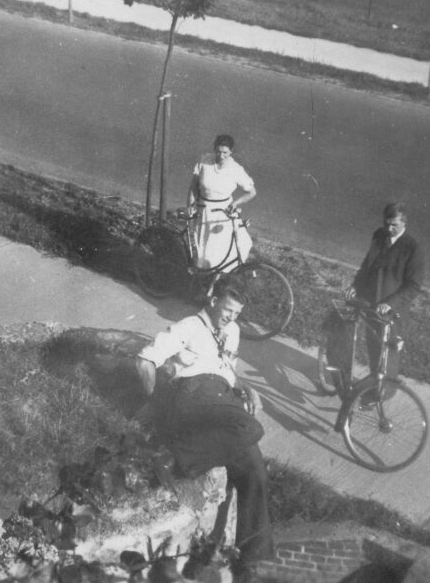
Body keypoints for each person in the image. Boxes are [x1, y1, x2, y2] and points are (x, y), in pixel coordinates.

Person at [136, 277, 274, 570]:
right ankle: (175, 458)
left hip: (222, 401)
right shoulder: (188, 326)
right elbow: (145, 359)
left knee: (256, 473)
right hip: (193, 396)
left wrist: (245, 388)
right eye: (227, 310)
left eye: (237, 313)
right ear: (212, 301)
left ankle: (251, 563)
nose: (231, 318)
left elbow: (226, 370)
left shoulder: (232, 331)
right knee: (250, 428)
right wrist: (155, 404)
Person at [346, 202, 425, 380]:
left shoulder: (412, 249)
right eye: (386, 224)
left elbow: (414, 285)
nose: (389, 229)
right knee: (374, 346)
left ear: (404, 224)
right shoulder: (379, 236)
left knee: (388, 352)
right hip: (371, 303)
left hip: (391, 310)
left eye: (394, 225)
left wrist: (391, 303)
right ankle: (375, 383)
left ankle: (383, 391)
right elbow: (367, 265)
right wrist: (355, 285)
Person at [187, 134, 256, 271]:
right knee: (204, 250)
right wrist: (190, 205)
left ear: (231, 152)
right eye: (218, 151)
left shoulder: (236, 169)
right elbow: (193, 187)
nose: (221, 155)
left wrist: (235, 204)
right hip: (204, 211)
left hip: (224, 213)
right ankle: (203, 278)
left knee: (229, 248)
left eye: (225, 152)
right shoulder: (204, 162)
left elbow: (252, 192)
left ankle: (217, 280)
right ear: (214, 149)